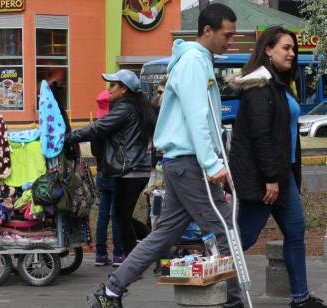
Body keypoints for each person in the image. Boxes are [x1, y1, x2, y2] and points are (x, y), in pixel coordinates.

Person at [86, 4, 243, 308]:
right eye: (227, 35)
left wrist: (217, 162)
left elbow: (203, 119)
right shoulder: (194, 63)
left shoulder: (196, 61)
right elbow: (198, 116)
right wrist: (213, 164)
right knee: (225, 229)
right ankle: (234, 301)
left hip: (184, 163)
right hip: (190, 163)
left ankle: (112, 291)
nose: (231, 41)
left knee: (164, 235)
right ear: (208, 31)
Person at [227, 25, 327, 308]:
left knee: (296, 232)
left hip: (282, 175)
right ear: (267, 50)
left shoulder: (278, 83)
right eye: (286, 47)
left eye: (293, 48)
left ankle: (300, 298)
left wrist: (283, 176)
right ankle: (222, 293)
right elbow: (261, 136)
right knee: (243, 238)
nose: (292, 53)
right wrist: (271, 179)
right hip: (266, 179)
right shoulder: (259, 85)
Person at [65, 69, 155, 260]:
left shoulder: (124, 109)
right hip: (136, 170)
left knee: (121, 218)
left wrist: (68, 137)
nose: (109, 89)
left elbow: (98, 128)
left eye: (113, 85)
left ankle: (137, 258)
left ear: (124, 89)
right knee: (123, 216)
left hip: (128, 171)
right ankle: (150, 249)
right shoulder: (135, 107)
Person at [91, 90, 125, 267]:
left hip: (102, 173)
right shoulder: (116, 126)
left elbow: (94, 152)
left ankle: (100, 254)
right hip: (116, 174)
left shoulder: (96, 127)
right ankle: (119, 254)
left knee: (103, 215)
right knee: (117, 215)